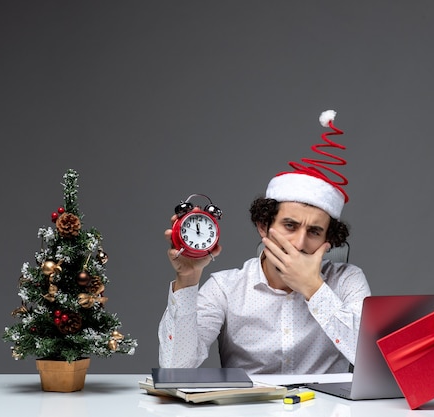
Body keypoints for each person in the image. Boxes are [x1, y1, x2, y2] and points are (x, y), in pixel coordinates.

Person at [158, 110, 371, 374]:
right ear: (263, 226)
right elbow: (176, 369)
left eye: (315, 232)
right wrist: (188, 280)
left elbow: (370, 361)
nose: (299, 243)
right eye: (289, 226)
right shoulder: (226, 289)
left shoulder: (348, 281)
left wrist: (313, 288)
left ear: (329, 240)